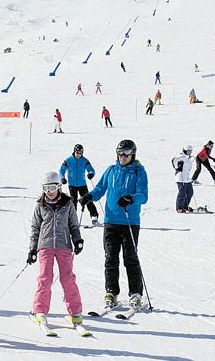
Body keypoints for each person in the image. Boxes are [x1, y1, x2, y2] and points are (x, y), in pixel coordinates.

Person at [81, 139, 149, 311]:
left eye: (126, 154)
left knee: (130, 259)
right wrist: (89, 196)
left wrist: (131, 198)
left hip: (129, 222)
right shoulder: (111, 170)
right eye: (120, 153)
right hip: (110, 222)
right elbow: (99, 189)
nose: (122, 157)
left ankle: (135, 293)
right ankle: (111, 291)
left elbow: (143, 195)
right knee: (110, 258)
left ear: (133, 154)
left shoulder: (138, 171)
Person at [28, 172, 84, 330]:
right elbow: (35, 228)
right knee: (45, 278)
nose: (49, 191)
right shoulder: (40, 205)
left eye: (52, 187)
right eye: (46, 188)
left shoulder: (68, 204)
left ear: (59, 187)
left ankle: (75, 312)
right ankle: (40, 310)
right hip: (45, 246)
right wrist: (32, 249)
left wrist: (77, 240)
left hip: (64, 246)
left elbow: (73, 225)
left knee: (68, 278)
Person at [61, 144, 100, 226]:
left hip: (82, 184)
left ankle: (94, 216)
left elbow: (91, 169)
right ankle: (72, 219)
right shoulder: (68, 160)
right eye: (77, 152)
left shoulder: (84, 160)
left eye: (80, 153)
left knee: (88, 199)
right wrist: (62, 178)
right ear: (74, 151)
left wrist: (91, 174)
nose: (78, 154)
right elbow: (61, 170)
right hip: (72, 184)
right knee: (73, 202)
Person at [173, 145, 196, 213]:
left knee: (190, 193)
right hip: (180, 178)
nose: (190, 152)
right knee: (182, 193)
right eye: (189, 151)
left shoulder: (189, 158)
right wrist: (177, 167)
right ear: (185, 151)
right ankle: (179, 208)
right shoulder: (181, 156)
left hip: (187, 178)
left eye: (191, 151)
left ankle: (185, 206)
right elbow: (174, 160)